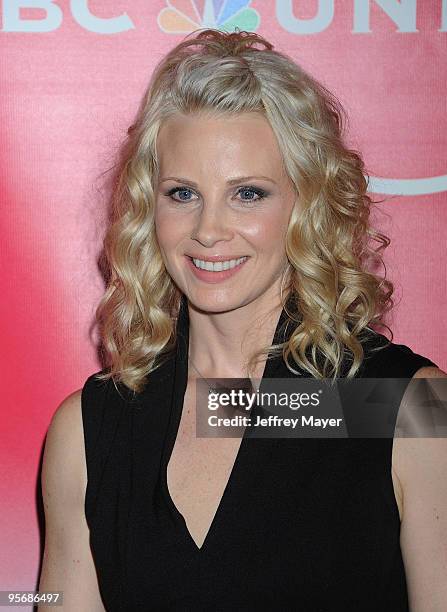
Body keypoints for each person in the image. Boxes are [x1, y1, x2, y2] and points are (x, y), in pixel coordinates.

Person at [38, 28, 447, 611]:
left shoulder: (412, 410)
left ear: (307, 203)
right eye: (182, 193)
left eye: (248, 194)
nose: (208, 230)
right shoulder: (92, 429)